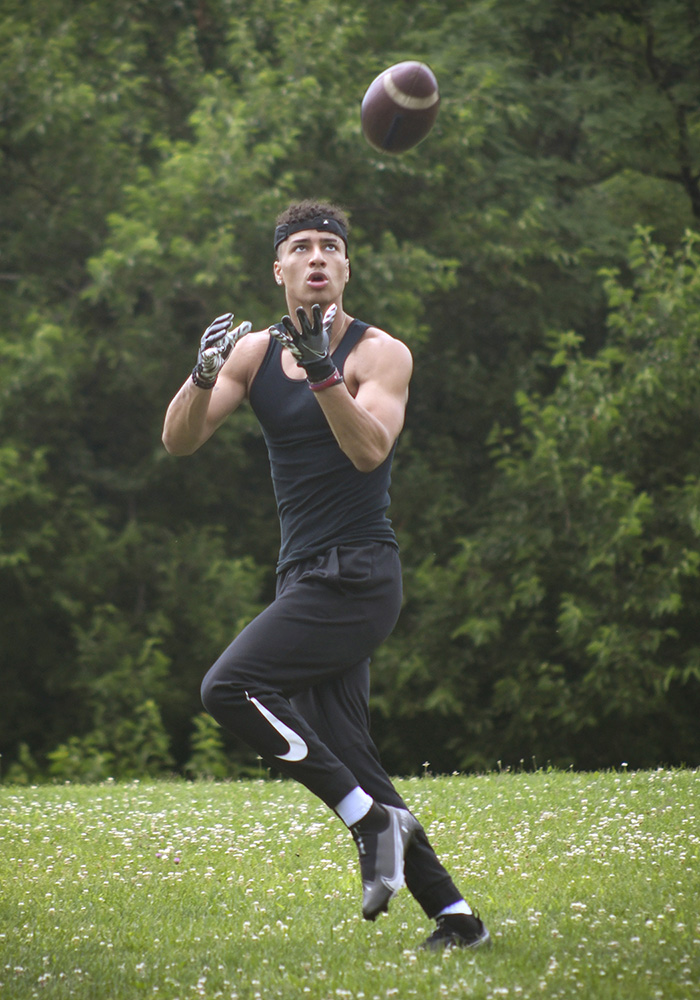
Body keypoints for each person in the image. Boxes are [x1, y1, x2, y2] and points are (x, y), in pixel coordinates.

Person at [162, 200, 490, 950]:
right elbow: (180, 442)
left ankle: (367, 823)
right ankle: (457, 918)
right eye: (300, 248)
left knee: (230, 687)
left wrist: (320, 371)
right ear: (278, 269)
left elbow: (369, 450)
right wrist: (202, 373)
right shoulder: (251, 353)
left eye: (330, 249)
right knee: (350, 747)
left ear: (345, 269)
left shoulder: (381, 354)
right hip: (302, 575)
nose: (316, 258)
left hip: (360, 574)